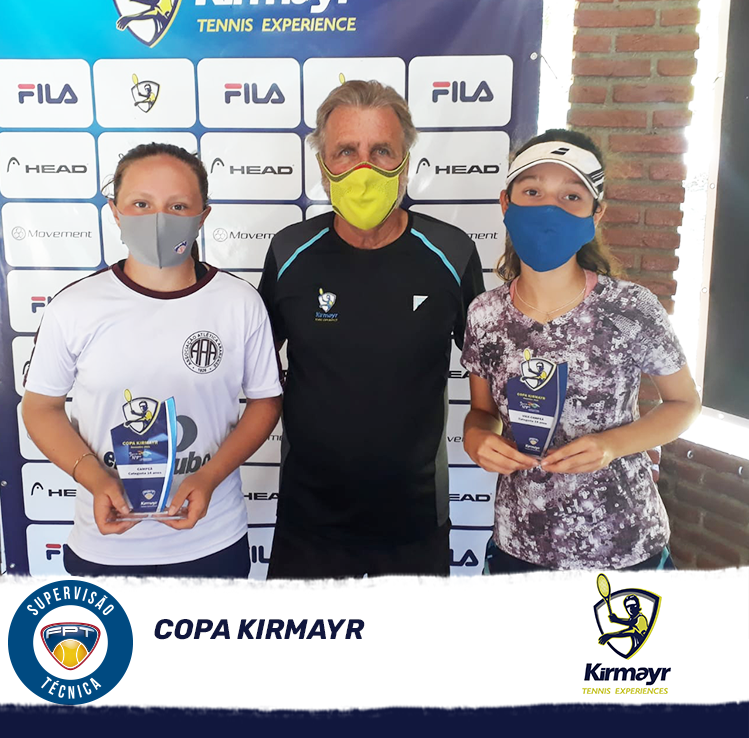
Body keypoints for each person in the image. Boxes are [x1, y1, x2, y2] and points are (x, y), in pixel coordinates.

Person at [22, 143, 282, 577]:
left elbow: (266, 401)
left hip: (213, 541)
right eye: (141, 204)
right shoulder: (74, 307)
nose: (159, 219)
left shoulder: (239, 302)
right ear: (115, 211)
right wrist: (95, 479)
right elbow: (40, 407)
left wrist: (209, 477)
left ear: (203, 216)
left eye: (178, 206)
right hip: (106, 548)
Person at [258, 80, 484, 579]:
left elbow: (491, 371)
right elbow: (254, 370)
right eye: (346, 151)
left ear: (405, 162)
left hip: (414, 521)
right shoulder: (288, 251)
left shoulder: (453, 252)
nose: (364, 168)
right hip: (308, 523)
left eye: (381, 150)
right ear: (324, 167)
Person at [460, 128, 701, 573]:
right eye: (532, 191)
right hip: (519, 546)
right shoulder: (485, 314)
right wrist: (476, 438)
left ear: (596, 212)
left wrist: (611, 445)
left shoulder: (629, 307)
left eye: (571, 196)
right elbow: (481, 412)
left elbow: (685, 403)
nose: (548, 209)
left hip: (625, 548)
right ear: (506, 203)